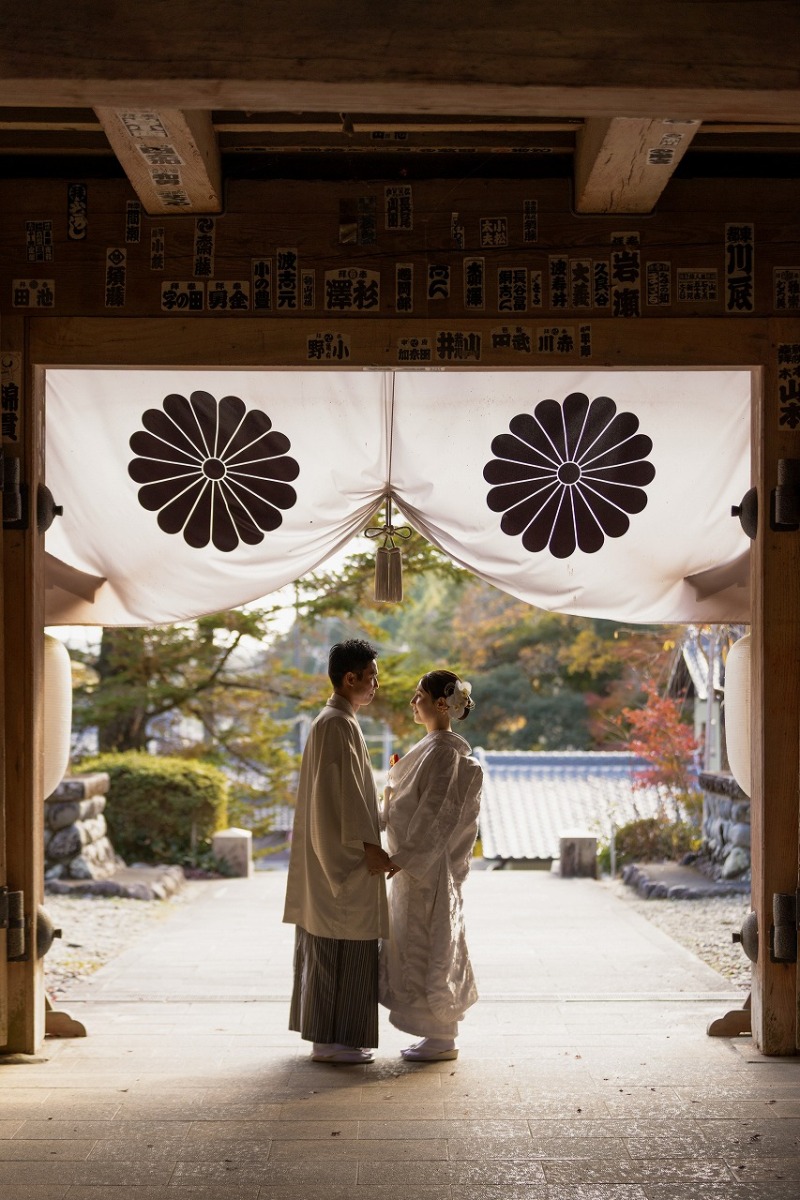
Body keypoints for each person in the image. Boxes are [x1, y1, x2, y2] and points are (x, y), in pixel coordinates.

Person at [283, 638, 395, 1064]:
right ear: (350, 678)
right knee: (340, 943)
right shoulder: (336, 723)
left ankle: (332, 1038)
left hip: (331, 849)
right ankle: (331, 1040)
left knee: (333, 942)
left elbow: (344, 794)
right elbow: (342, 797)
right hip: (340, 856)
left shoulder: (335, 720)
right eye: (372, 678)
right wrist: (370, 847)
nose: (375, 686)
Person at [379, 670, 483, 1062]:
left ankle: (442, 1033)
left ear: (442, 704)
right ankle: (433, 1031)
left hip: (427, 868)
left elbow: (436, 815)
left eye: (419, 695)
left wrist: (401, 858)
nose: (413, 702)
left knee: (430, 942)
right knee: (418, 942)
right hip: (417, 866)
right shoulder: (433, 747)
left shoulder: (442, 752)